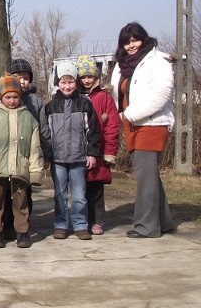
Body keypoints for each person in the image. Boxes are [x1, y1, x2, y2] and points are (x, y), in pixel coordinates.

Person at [110, 22, 176, 238]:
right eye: (126, 42)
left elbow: (160, 95)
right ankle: (163, 221)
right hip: (133, 124)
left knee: (145, 178)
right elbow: (117, 93)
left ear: (144, 39)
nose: (131, 45)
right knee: (150, 176)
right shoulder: (122, 64)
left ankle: (147, 227)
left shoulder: (157, 62)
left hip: (152, 124)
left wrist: (129, 114)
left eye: (135, 40)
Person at [0, 73, 44, 249]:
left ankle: (22, 233)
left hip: (21, 169)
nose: (12, 100)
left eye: (15, 97)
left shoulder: (28, 118)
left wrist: (35, 171)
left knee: (21, 204)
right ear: (1, 97)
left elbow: (34, 147)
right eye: (8, 97)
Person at [40, 61, 101, 241]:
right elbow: (45, 133)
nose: (67, 86)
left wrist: (92, 153)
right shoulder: (49, 106)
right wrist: (47, 155)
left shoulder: (85, 104)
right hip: (57, 159)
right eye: (63, 82)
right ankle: (60, 225)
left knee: (79, 195)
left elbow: (93, 131)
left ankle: (80, 225)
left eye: (71, 82)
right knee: (59, 195)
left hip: (79, 158)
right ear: (57, 83)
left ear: (76, 83)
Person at [0, 58, 46, 238]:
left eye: (25, 78)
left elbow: (43, 128)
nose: (22, 81)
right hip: (5, 153)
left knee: (23, 191)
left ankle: (23, 223)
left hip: (26, 153)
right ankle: (6, 224)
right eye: (17, 77)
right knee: (4, 192)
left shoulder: (35, 101)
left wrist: (44, 153)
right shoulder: (3, 99)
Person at [76, 55, 120, 235]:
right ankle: (82, 220)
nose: (87, 80)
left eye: (90, 77)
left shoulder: (104, 97)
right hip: (78, 150)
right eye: (83, 77)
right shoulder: (75, 97)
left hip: (98, 150)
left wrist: (109, 151)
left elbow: (112, 126)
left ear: (96, 77)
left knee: (96, 188)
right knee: (80, 189)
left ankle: (97, 221)